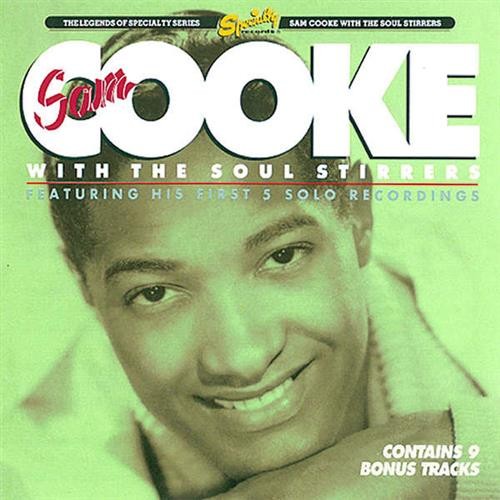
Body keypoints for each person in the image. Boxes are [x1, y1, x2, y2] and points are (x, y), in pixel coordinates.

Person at [2, 15, 499, 499]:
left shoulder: (480, 293)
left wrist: (437, 452)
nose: (241, 359)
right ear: (85, 287)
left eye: (282, 257)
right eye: (154, 293)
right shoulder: (35, 471)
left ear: (357, 214)